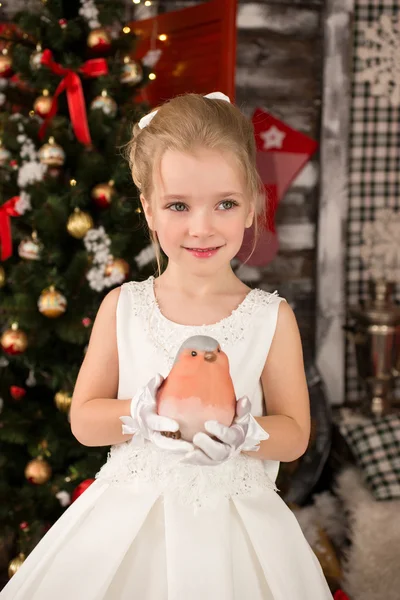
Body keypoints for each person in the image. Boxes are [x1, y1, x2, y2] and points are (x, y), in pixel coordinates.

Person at [0, 92, 332, 599]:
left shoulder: (271, 317)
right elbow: (84, 421)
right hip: (128, 525)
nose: (201, 226)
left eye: (225, 203)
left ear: (252, 207)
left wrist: (243, 434)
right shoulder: (123, 307)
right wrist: (138, 412)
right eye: (179, 205)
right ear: (149, 211)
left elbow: (294, 435)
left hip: (235, 532)